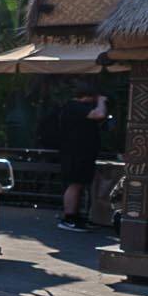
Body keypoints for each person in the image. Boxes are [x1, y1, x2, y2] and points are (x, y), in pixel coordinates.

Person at [51, 84, 108, 231]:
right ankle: (69, 217)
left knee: (79, 184)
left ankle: (75, 216)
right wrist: (101, 101)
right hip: (76, 153)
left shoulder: (73, 107)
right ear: (88, 96)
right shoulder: (75, 107)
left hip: (80, 152)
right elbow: (99, 114)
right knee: (75, 184)